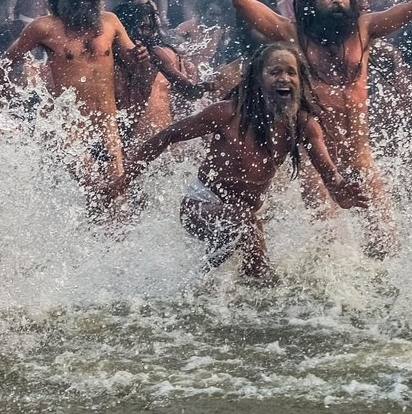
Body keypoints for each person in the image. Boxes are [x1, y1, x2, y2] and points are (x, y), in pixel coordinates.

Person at [231, 0, 412, 258]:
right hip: (318, 163)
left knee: (386, 248)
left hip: (361, 157)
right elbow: (243, 1)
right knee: (331, 254)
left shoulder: (364, 29)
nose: (337, 0)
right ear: (310, 3)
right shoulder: (294, 35)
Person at [126, 43, 366, 283]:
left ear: (300, 81)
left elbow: (330, 175)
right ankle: (237, 285)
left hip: (248, 213)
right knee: (255, 255)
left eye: (291, 72)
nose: (284, 78)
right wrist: (123, 181)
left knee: (243, 267)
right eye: (275, 72)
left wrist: (342, 191)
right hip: (200, 206)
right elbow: (167, 136)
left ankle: (197, 284)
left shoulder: (304, 125)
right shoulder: (227, 113)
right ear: (258, 79)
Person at [3, 0, 141, 212]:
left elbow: (134, 60)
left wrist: (139, 57)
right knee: (96, 194)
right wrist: (12, 101)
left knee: (119, 203)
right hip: (69, 130)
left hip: (108, 127)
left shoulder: (110, 22)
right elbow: (6, 63)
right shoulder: (43, 27)